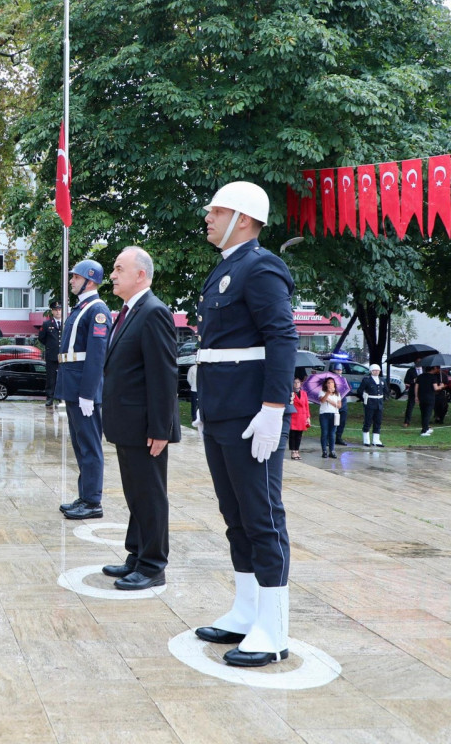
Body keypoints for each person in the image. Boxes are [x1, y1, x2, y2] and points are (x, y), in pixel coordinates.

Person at [192, 181, 298, 668]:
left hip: (251, 414)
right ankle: (246, 609)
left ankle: (274, 629)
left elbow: (281, 338)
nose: (208, 218)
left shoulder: (262, 266)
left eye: (218, 211)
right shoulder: (223, 271)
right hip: (221, 412)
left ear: (246, 218)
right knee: (234, 516)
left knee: (262, 518)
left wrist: (275, 408)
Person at [99, 247, 181, 591]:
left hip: (147, 428)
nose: (113, 274)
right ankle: (136, 555)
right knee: (136, 494)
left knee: (150, 495)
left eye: (119, 268)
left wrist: (161, 428)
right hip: (127, 425)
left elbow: (163, 375)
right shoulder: (129, 311)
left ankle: (152, 565)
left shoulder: (153, 312)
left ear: (140, 275)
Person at [56, 259, 111, 520]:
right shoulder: (82, 307)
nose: (71, 281)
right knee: (80, 446)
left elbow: (97, 355)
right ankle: (85, 495)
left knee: (90, 447)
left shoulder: (97, 310)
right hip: (73, 385)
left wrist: (88, 393)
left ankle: (93, 502)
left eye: (75, 278)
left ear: (90, 280)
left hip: (83, 389)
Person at [38, 301, 63, 407]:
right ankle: (50, 397)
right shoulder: (47, 324)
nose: (58, 312)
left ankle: (62, 398)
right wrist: (50, 346)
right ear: (52, 311)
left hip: (63, 355)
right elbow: (41, 338)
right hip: (52, 354)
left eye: (59, 309)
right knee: (51, 378)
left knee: (63, 377)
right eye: (56, 310)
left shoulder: (66, 322)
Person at [359, 364, 386, 447]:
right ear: (371, 371)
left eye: (378, 370)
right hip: (370, 403)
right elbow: (360, 390)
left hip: (379, 403)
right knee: (368, 420)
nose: (376, 372)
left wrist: (383, 399)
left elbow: (386, 390)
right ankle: (366, 439)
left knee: (378, 421)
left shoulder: (382, 380)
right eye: (374, 370)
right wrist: (364, 397)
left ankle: (376, 440)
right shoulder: (366, 380)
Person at [413, 364, 444, 436]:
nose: (437, 370)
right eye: (436, 368)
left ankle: (425, 427)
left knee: (423, 413)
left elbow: (416, 387)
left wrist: (416, 396)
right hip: (430, 397)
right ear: (433, 369)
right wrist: (441, 386)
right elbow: (436, 388)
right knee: (428, 414)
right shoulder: (433, 377)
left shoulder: (420, 376)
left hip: (421, 397)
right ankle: (424, 431)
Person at [317, 377, 342, 458]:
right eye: (328, 382)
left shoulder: (337, 394)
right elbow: (322, 400)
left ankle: (332, 450)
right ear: (325, 384)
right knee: (324, 432)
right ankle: (324, 450)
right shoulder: (322, 392)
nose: (330, 384)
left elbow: (339, 405)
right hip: (324, 414)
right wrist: (327, 393)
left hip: (334, 414)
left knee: (332, 433)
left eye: (332, 382)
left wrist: (330, 401)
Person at [289, 377, 310, 460]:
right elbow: (289, 404)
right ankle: (293, 451)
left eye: (298, 382)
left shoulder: (304, 393)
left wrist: (308, 417)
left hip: (302, 416)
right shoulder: (291, 393)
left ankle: (297, 450)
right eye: (295, 382)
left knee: (299, 435)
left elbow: (306, 406)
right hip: (294, 416)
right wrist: (291, 399)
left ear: (300, 383)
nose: (297, 384)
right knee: (293, 435)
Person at [331, 362, 349, 446]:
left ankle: (338, 437)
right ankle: (329, 438)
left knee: (342, 422)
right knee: (332, 421)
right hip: (334, 403)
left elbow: (349, 390)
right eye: (337, 370)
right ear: (334, 370)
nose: (338, 371)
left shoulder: (344, 380)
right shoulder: (330, 380)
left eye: (340, 370)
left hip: (343, 403)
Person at [403, 358, 423, 427]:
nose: (418, 363)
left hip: (423, 390)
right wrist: (413, 381)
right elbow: (406, 381)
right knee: (410, 406)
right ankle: (407, 421)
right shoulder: (410, 370)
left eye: (420, 361)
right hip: (413, 390)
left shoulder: (425, 369)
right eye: (417, 361)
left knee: (424, 407)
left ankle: (425, 422)